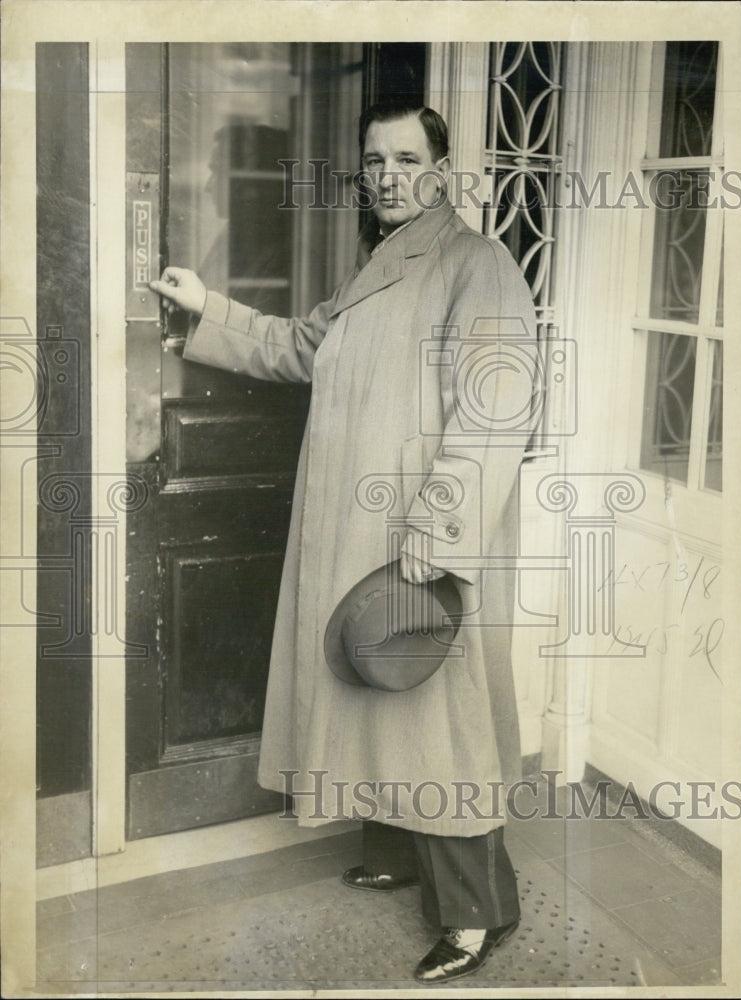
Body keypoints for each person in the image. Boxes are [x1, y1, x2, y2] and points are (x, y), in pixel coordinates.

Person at [151, 103, 538, 984]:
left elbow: (495, 410)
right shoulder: (376, 268)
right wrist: (203, 307)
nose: (389, 174)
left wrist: (436, 525)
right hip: (353, 534)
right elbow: (298, 347)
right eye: (375, 160)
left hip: (420, 535)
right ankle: (400, 853)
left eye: (408, 158)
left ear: (441, 171)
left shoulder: (478, 265)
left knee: (444, 718)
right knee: (373, 693)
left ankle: (481, 913)